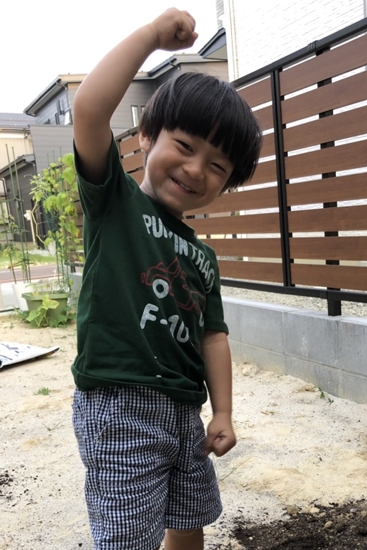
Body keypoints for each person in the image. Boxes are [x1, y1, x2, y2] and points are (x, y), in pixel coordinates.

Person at [70, 8, 262, 550]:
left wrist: (222, 410)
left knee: (188, 519)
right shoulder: (116, 202)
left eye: (219, 166)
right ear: (148, 136)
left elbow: (213, 336)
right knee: (129, 536)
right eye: (184, 145)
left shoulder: (203, 258)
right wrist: (153, 37)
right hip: (120, 400)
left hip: (184, 408)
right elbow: (87, 109)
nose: (198, 169)